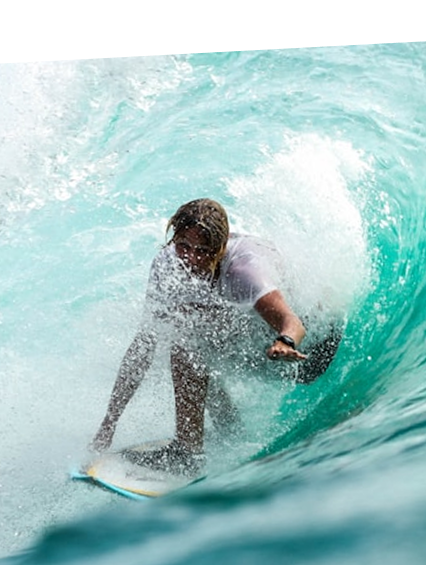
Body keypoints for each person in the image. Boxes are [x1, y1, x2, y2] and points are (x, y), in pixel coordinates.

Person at [91, 198, 340, 475]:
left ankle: (187, 454)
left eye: (203, 251)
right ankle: (230, 431)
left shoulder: (244, 271)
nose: (190, 259)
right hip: (262, 344)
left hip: (311, 351)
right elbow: (143, 346)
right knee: (185, 328)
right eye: (183, 246)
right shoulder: (167, 264)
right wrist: (110, 421)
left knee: (187, 344)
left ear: (220, 248)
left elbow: (292, 322)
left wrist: (285, 342)